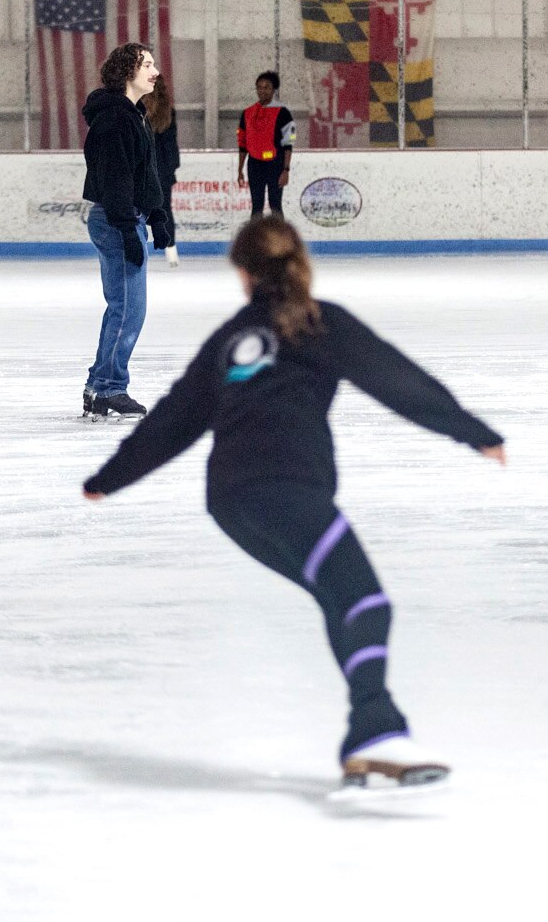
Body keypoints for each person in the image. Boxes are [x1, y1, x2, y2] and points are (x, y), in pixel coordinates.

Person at [80, 217, 505, 794]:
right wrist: (473, 431)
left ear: (243, 274)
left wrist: (111, 477)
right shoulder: (319, 322)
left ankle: (369, 736)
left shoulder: (231, 337)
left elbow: (175, 418)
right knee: (365, 603)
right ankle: (375, 731)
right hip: (284, 489)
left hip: (231, 499)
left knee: (343, 601)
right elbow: (397, 379)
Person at [81, 43, 174, 420]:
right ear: (126, 72)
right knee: (128, 311)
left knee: (124, 309)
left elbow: (142, 174)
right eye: (147, 64)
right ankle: (107, 388)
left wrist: (156, 217)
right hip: (116, 221)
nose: (155, 71)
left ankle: (100, 384)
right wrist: (126, 228)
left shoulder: (134, 115)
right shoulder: (116, 119)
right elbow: (114, 177)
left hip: (124, 218)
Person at [236, 70, 295, 218]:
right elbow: (243, 143)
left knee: (275, 204)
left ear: (273, 90)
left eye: (266, 87)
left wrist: (286, 169)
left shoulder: (283, 113)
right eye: (259, 87)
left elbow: (288, 143)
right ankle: (256, 239)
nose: (262, 90)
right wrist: (240, 169)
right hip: (255, 164)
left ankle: (281, 239)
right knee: (257, 205)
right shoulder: (248, 113)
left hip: (275, 163)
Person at [143, 72, 183, 269]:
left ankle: (141, 249)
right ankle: (171, 251)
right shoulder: (168, 110)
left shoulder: (140, 110)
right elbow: (171, 144)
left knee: (139, 210)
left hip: (146, 167)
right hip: (163, 168)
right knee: (165, 209)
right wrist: (172, 167)